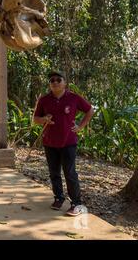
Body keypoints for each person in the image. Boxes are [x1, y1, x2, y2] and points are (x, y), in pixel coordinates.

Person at [33, 71, 94, 216]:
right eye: (52, 80)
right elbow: (35, 118)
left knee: (70, 173)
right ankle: (59, 198)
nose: (55, 82)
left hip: (68, 142)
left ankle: (76, 204)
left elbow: (90, 110)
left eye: (58, 80)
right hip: (50, 142)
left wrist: (80, 126)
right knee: (54, 173)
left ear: (65, 83)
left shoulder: (73, 98)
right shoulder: (44, 100)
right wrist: (44, 119)